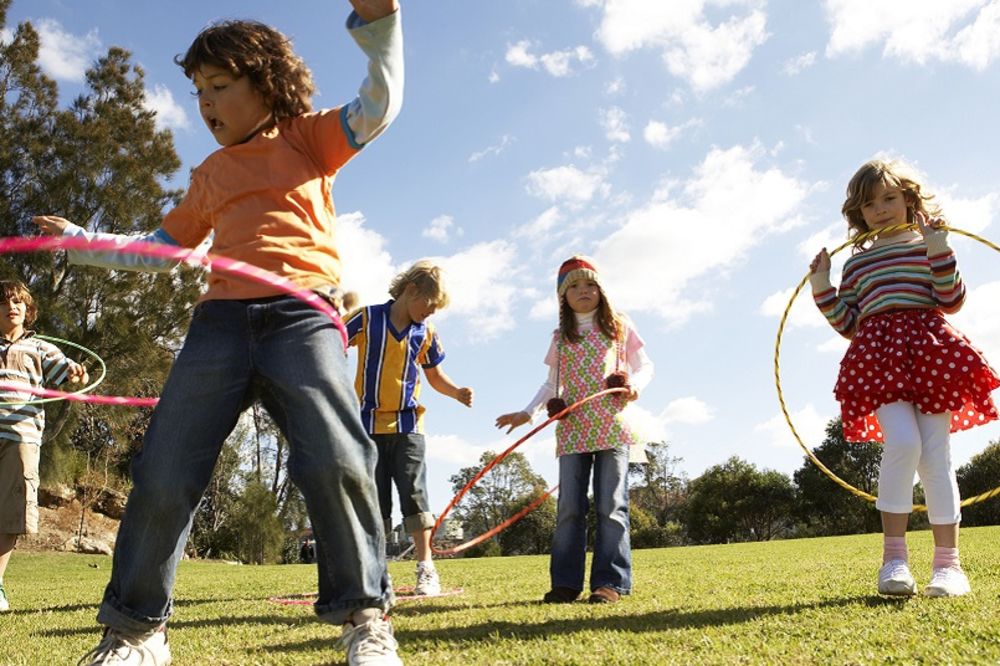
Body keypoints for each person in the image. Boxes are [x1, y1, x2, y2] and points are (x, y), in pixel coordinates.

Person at [33, 1, 405, 663]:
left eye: (219, 85)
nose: (205, 103)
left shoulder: (307, 138)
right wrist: (80, 241)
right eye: (198, 91)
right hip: (220, 325)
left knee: (336, 456)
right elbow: (160, 249)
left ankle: (364, 618)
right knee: (164, 468)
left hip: (301, 317)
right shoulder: (210, 174)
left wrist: (382, 30)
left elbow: (378, 105)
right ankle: (137, 632)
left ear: (265, 83)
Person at [809, 159, 1000, 598]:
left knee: (935, 456)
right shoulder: (857, 264)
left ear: (910, 200)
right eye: (869, 204)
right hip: (879, 358)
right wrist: (822, 283)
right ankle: (893, 561)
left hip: (931, 354)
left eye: (889, 198)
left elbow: (951, 299)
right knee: (903, 442)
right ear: (858, 213)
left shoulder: (928, 245)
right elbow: (849, 322)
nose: (880, 209)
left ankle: (948, 566)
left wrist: (938, 247)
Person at [495, 256, 653, 604]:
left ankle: (610, 582)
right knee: (569, 507)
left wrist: (634, 385)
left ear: (602, 290)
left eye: (591, 284)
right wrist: (527, 412)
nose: (584, 291)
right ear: (562, 297)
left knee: (611, 505)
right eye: (575, 286)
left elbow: (645, 365)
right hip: (573, 429)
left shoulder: (619, 326)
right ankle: (566, 583)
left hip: (612, 425)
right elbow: (551, 384)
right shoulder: (560, 338)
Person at [345, 261, 473, 596]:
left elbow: (434, 376)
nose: (432, 313)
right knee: (373, 499)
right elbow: (333, 340)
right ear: (411, 290)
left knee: (414, 494)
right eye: (430, 304)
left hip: (409, 425)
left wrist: (456, 392)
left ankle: (426, 567)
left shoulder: (425, 332)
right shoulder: (367, 318)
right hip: (367, 425)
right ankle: (375, 571)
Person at [0, 280, 89, 614]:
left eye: (18, 301)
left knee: (11, 513)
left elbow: (69, 374)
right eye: (4, 301)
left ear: (28, 309)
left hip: (21, 437)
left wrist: (77, 373)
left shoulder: (40, 348)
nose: (12, 307)